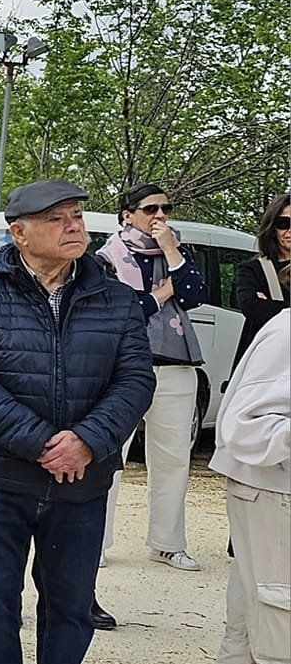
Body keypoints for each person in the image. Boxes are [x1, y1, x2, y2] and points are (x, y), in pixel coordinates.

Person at [0, 180, 154, 664]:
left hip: (83, 480)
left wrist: (87, 440)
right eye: (57, 218)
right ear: (19, 233)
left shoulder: (113, 298)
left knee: (71, 598)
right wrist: (41, 443)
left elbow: (136, 379)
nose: (74, 226)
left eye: (77, 215)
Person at [96, 183, 208, 571]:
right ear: (127, 214)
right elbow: (118, 309)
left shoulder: (178, 252)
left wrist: (173, 253)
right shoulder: (107, 256)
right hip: (123, 366)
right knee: (109, 457)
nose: (159, 216)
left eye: (165, 208)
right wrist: (160, 297)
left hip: (176, 365)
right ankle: (96, 541)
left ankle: (167, 543)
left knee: (174, 459)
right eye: (150, 209)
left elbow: (194, 295)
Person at [209, 310, 291, 664]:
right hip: (272, 491)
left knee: (251, 620)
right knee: (278, 624)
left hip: (273, 489)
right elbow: (243, 425)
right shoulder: (287, 333)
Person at [232, 191, 290, 362]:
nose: (289, 230)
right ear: (272, 228)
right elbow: (252, 308)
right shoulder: (252, 270)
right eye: (283, 223)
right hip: (265, 364)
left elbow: (262, 310)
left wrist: (272, 306)